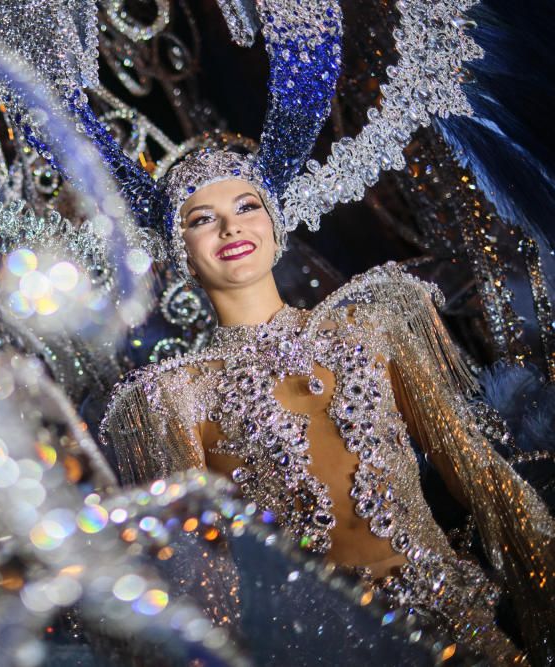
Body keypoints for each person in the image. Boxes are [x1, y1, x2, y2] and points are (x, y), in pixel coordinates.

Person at [100, 148, 555, 664]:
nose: (231, 228)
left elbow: (475, 472)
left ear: (276, 223)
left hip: (455, 622)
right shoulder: (170, 396)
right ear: (177, 248)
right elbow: (203, 581)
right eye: (203, 219)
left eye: (247, 206)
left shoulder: (374, 326)